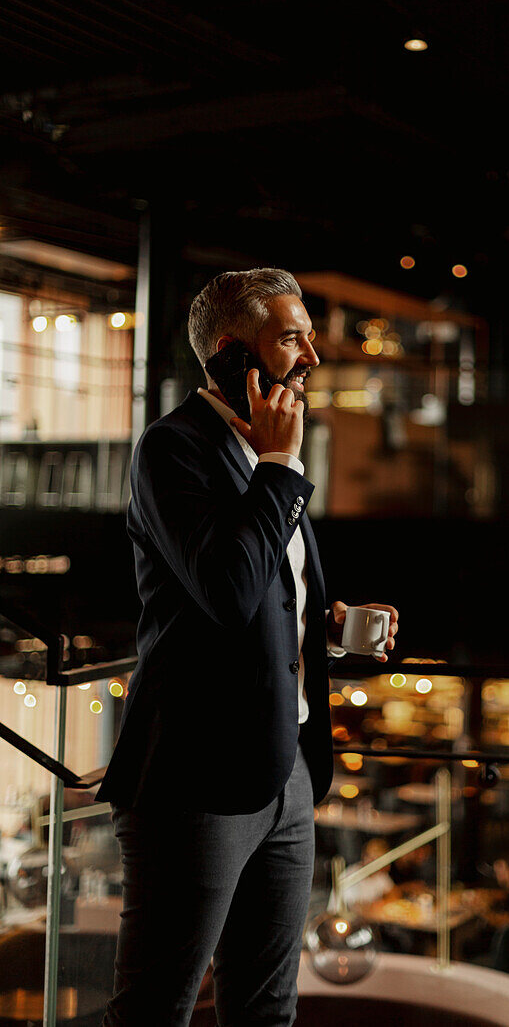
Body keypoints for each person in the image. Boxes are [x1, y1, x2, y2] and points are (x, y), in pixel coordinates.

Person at [97, 268, 399, 1027]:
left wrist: (325, 622)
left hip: (284, 772)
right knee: (155, 1008)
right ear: (234, 354)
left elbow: (264, 584)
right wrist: (277, 466)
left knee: (266, 1008)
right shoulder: (174, 449)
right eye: (291, 338)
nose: (312, 358)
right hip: (195, 781)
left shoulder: (271, 455)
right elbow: (226, 589)